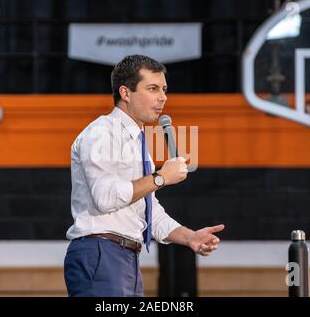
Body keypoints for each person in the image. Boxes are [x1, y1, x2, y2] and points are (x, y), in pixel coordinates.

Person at [64, 54, 225, 297]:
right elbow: (105, 197)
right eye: (152, 88)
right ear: (125, 93)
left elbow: (148, 210)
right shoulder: (101, 133)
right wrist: (159, 178)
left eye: (164, 89)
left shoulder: (137, 141)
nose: (163, 97)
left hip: (126, 257)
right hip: (100, 252)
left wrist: (190, 237)